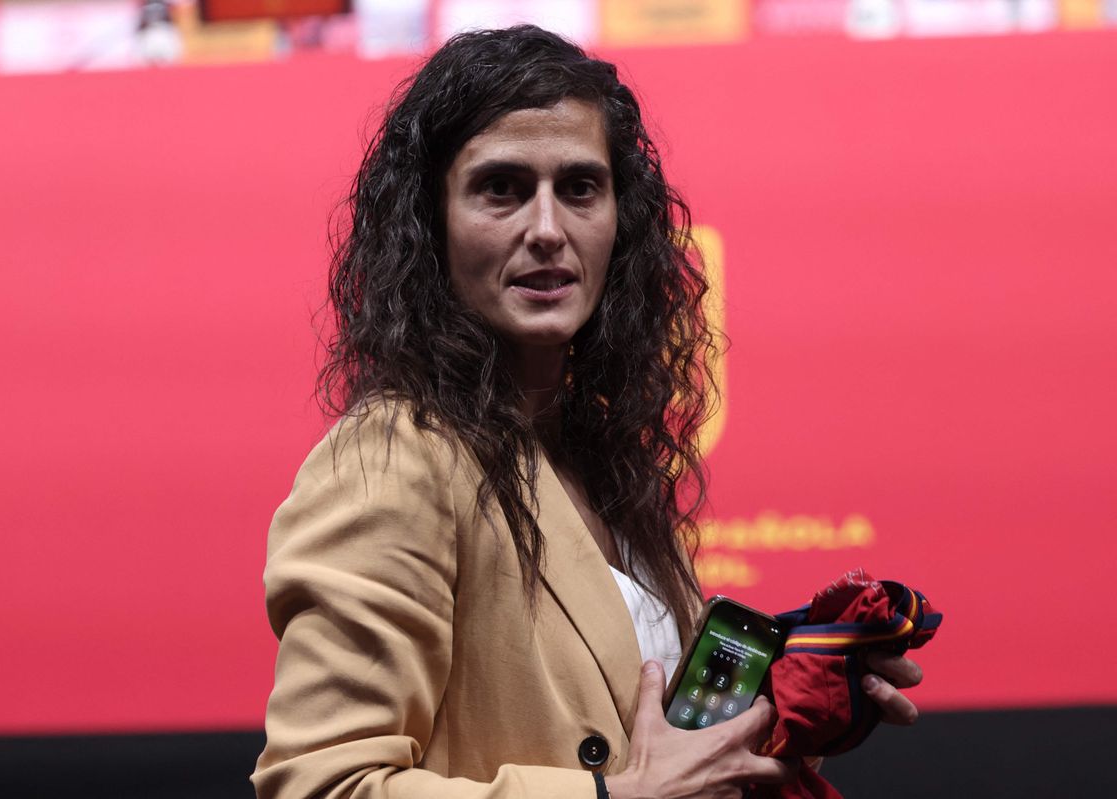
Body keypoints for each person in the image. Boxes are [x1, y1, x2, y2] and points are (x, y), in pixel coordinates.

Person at [252, 25, 922, 799]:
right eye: (501, 187)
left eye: (579, 188)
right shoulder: (391, 454)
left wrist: (789, 700)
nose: (547, 229)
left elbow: (650, 741)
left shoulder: (593, 453)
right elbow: (318, 785)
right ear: (428, 226)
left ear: (619, 221)